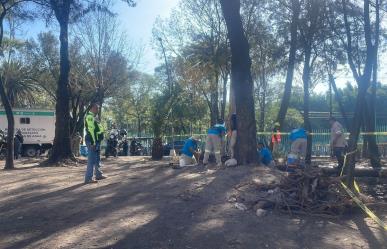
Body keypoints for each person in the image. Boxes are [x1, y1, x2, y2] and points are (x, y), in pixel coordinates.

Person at [84, 104, 106, 184]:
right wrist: (93, 142)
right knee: (91, 160)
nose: (97, 110)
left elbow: (98, 129)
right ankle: (88, 178)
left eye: (98, 109)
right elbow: (91, 130)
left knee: (97, 159)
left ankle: (98, 174)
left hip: (96, 141)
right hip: (91, 141)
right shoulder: (90, 117)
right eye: (96, 108)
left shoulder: (94, 117)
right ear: (92, 108)